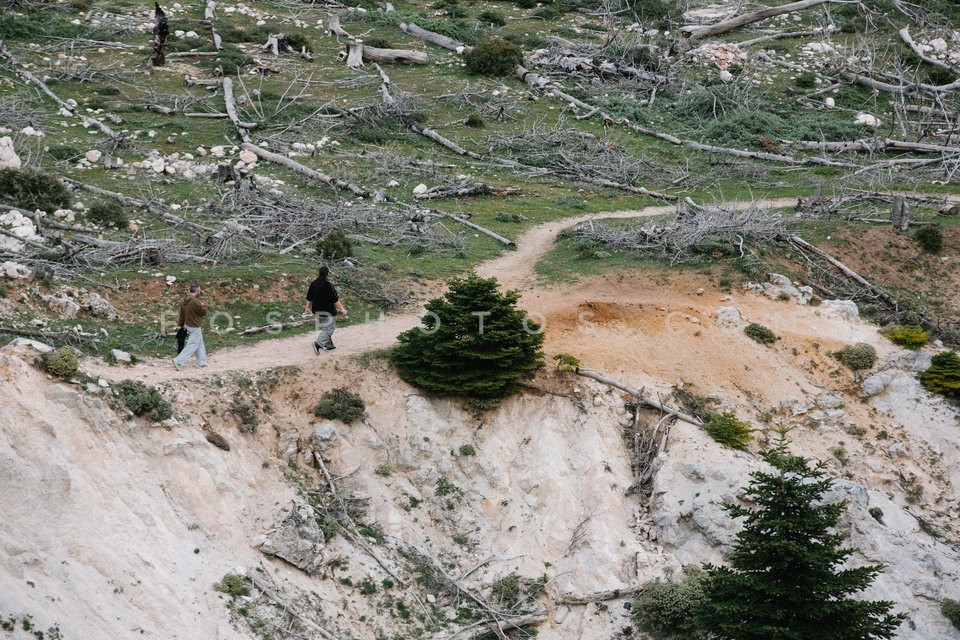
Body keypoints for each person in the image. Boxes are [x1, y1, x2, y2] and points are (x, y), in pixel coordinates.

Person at [305, 265, 347, 353]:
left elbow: (309, 297)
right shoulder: (329, 284)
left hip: (317, 311)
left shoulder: (314, 283)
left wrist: (307, 308)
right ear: (327, 274)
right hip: (328, 312)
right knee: (329, 329)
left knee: (326, 328)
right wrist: (342, 309)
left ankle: (329, 345)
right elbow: (335, 299)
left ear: (319, 273)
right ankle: (318, 344)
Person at [173, 282, 208, 370]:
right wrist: (204, 306)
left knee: (199, 344)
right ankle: (178, 361)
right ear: (197, 291)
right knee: (192, 345)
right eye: (199, 290)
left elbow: (182, 315)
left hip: (189, 325)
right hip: (195, 325)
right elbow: (204, 312)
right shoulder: (195, 302)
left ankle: (202, 362)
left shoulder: (185, 301)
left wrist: (181, 325)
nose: (200, 291)